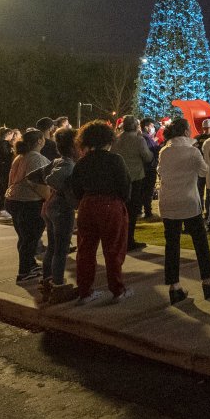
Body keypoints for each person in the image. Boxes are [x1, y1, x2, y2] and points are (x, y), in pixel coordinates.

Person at [68, 120, 133, 305]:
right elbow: (125, 187)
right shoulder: (115, 160)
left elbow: (75, 188)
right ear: (108, 139)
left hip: (87, 204)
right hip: (110, 205)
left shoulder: (82, 162)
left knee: (85, 250)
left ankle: (85, 292)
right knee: (113, 250)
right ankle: (117, 290)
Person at [157, 118, 210, 305]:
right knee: (200, 243)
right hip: (188, 201)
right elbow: (203, 171)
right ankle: (208, 282)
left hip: (168, 202)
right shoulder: (192, 151)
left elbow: (161, 171)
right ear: (185, 131)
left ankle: (174, 286)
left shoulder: (164, 151)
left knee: (172, 244)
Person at [5, 129, 50, 283]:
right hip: (29, 202)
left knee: (24, 237)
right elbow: (36, 182)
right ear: (39, 141)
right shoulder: (35, 158)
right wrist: (48, 198)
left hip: (14, 199)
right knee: (30, 238)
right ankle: (24, 271)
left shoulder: (20, 157)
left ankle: (30, 264)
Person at [41, 128, 79, 304]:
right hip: (61, 208)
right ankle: (57, 285)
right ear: (72, 147)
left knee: (52, 247)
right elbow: (51, 179)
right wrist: (66, 189)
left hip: (51, 206)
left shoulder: (58, 161)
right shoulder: (68, 165)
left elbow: (42, 175)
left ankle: (47, 281)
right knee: (60, 250)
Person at [114, 115, 152, 250]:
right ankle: (129, 240)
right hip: (135, 177)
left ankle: (120, 239)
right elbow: (147, 157)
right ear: (136, 126)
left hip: (120, 177)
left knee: (121, 209)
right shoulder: (138, 140)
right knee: (132, 210)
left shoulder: (117, 139)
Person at [140, 118, 161, 220]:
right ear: (146, 127)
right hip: (148, 168)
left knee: (144, 191)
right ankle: (148, 212)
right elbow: (150, 151)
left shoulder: (146, 137)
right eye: (152, 126)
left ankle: (143, 211)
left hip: (146, 167)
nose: (153, 128)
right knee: (148, 191)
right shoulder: (145, 137)